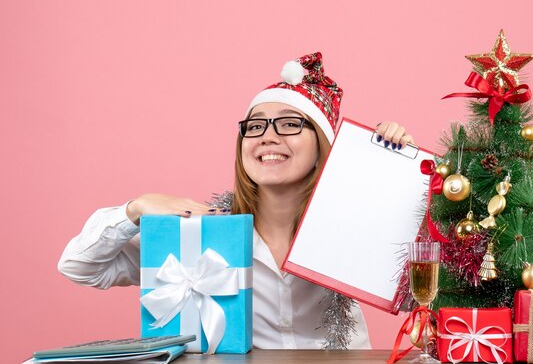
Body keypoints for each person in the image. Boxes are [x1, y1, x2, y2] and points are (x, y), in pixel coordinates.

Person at [58, 52, 415, 349]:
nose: (268, 137)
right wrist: (133, 209)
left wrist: (399, 179)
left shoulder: (353, 226)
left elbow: (425, 296)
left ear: (322, 145)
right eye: (255, 126)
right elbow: (78, 266)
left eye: (290, 124)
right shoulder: (199, 236)